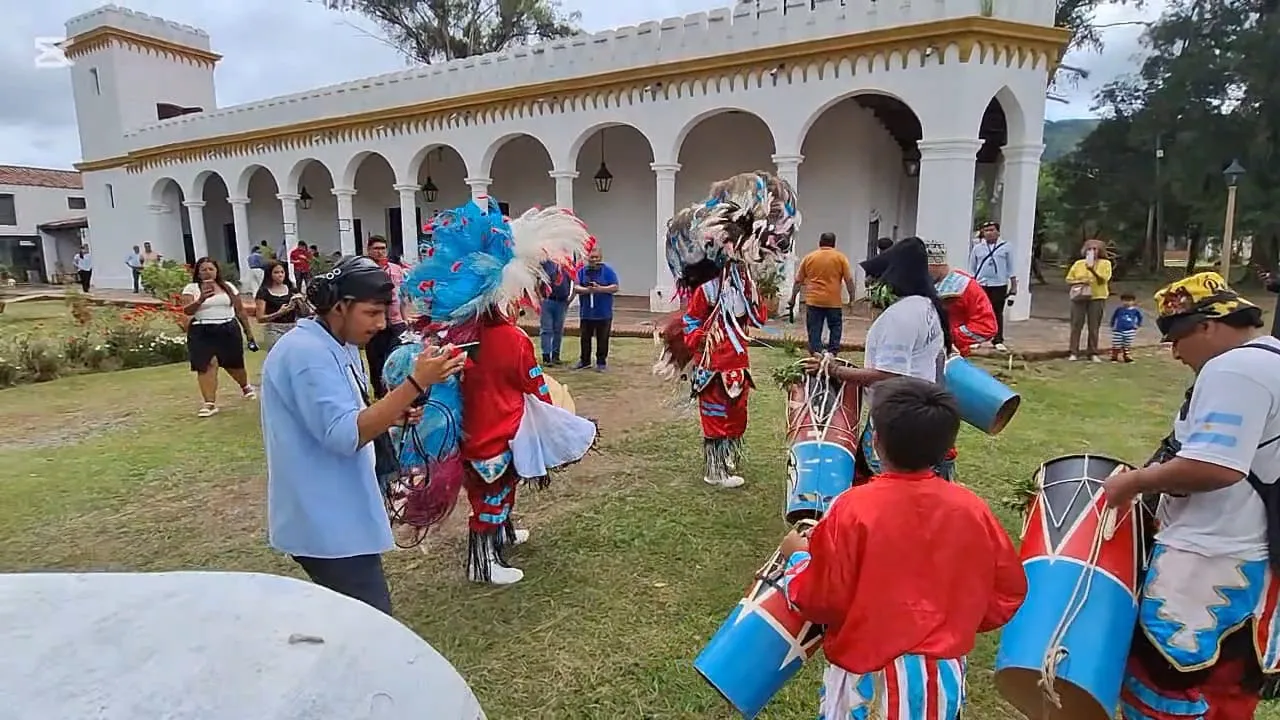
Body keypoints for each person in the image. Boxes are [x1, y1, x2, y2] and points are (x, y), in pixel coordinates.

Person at [778, 376, 1026, 719]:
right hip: (941, 682)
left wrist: (799, 558)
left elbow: (821, 598)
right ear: (946, 448)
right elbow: (1005, 592)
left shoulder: (852, 508)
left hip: (864, 678)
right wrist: (952, 621)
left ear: (875, 442)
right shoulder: (972, 509)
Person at [1103, 272, 1280, 718]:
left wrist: (1133, 483)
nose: (1174, 350)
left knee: (1161, 681)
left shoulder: (1235, 368)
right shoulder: (1272, 359)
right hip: (1254, 557)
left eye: (1177, 335)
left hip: (1210, 560)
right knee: (1229, 690)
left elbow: (1216, 466)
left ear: (1208, 324)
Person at [397, 200, 597, 585]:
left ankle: (502, 536)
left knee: (496, 490)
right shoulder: (511, 338)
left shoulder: (460, 336)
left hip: (473, 428)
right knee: (492, 496)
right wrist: (554, 399)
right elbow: (534, 383)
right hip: (499, 430)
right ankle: (483, 562)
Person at [262, 255, 467, 614]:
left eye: (383, 313)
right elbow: (344, 435)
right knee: (372, 627)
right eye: (371, 313)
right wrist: (416, 382)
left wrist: (391, 416)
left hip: (339, 513)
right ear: (339, 307)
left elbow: (348, 417)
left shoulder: (337, 345)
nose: (380, 323)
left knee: (348, 625)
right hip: (326, 523)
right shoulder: (306, 353)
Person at [655, 171, 799, 489]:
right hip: (713, 364)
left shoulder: (745, 283)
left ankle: (728, 459)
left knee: (737, 413)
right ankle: (715, 469)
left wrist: (762, 292)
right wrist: (702, 340)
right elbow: (692, 320)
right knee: (716, 414)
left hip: (737, 361)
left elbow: (757, 318)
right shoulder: (708, 288)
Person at [809, 237, 956, 481]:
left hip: (899, 418)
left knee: (888, 488)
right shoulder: (927, 306)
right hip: (919, 411)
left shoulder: (901, 316)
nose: (872, 285)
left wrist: (834, 370)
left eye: (875, 279)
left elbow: (889, 375)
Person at [179, 257, 259, 417]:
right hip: (202, 330)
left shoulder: (227, 287)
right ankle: (209, 403)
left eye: (211, 269)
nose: (207, 272)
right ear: (198, 272)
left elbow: (240, 310)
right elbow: (187, 310)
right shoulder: (192, 288)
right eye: (203, 269)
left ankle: (245, 386)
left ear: (216, 271)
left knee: (234, 364)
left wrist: (248, 333)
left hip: (227, 328)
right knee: (207, 364)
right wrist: (201, 299)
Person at [787, 232, 856, 355]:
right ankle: (833, 352)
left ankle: (816, 352)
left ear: (819, 242)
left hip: (814, 301)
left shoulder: (809, 258)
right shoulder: (840, 258)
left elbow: (798, 281)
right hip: (833, 302)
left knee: (814, 328)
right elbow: (849, 280)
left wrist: (792, 298)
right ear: (834, 244)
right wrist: (852, 298)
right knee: (835, 327)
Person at [927, 239, 998, 357]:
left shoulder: (964, 286)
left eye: (925, 267)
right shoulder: (923, 283)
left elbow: (986, 326)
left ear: (937, 263)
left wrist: (949, 336)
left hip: (951, 353)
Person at [362, 236, 408, 398]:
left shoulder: (396, 269)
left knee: (397, 358)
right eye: (376, 248)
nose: (380, 251)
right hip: (374, 322)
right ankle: (379, 394)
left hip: (396, 322)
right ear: (369, 250)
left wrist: (405, 319)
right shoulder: (365, 270)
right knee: (376, 360)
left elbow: (402, 296)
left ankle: (396, 393)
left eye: (383, 248)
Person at [968, 221, 1016, 352]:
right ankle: (977, 338)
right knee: (978, 312)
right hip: (981, 284)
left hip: (999, 284)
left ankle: (998, 339)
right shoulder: (978, 248)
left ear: (998, 232)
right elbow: (972, 267)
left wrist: (1013, 286)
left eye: (991, 230)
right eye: (986, 230)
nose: (988, 233)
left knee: (996, 312)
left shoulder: (1006, 247)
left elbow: (1011, 268)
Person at [1065, 238, 1112, 362]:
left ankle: (1092, 352)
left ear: (1100, 251)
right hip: (1079, 296)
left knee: (1094, 326)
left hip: (1097, 297)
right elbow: (1069, 279)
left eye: (1095, 249)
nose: (1092, 251)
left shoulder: (1105, 264)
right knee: (1076, 324)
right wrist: (1080, 281)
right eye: (1089, 249)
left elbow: (1104, 280)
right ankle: (1073, 352)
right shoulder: (1079, 264)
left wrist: (1092, 270)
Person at [574, 249, 619, 371]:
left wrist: (600, 289)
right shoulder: (582, 271)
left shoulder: (608, 271)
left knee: (603, 339)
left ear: (600, 258)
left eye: (596, 257)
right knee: (585, 339)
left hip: (603, 313)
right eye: (591, 257)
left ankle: (601, 362)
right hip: (586, 313)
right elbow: (576, 287)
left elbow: (615, 287)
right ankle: (585, 361)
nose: (594, 260)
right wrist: (587, 290)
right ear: (587, 258)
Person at [255, 260, 304, 349]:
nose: (280, 275)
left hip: (292, 327)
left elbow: (305, 313)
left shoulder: (291, 288)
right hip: (274, 329)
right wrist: (279, 313)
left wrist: (300, 301)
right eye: (276, 272)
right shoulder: (263, 292)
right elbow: (260, 318)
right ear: (270, 274)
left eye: (282, 272)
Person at [539, 254, 574, 365]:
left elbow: (575, 278)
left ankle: (555, 356)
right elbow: (537, 278)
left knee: (558, 330)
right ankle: (546, 356)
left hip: (562, 300)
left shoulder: (568, 261)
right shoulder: (546, 260)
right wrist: (540, 297)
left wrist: (571, 297)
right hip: (548, 299)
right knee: (546, 329)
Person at [1109, 292, 1143, 363]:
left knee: (1127, 344)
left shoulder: (1135, 311)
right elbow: (1114, 317)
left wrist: (1138, 325)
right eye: (1125, 300)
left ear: (1133, 301)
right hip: (1119, 329)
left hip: (1130, 330)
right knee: (1116, 344)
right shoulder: (1119, 309)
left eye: (1129, 301)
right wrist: (1112, 325)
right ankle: (1114, 357)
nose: (1127, 302)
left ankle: (1127, 357)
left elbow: (1140, 318)